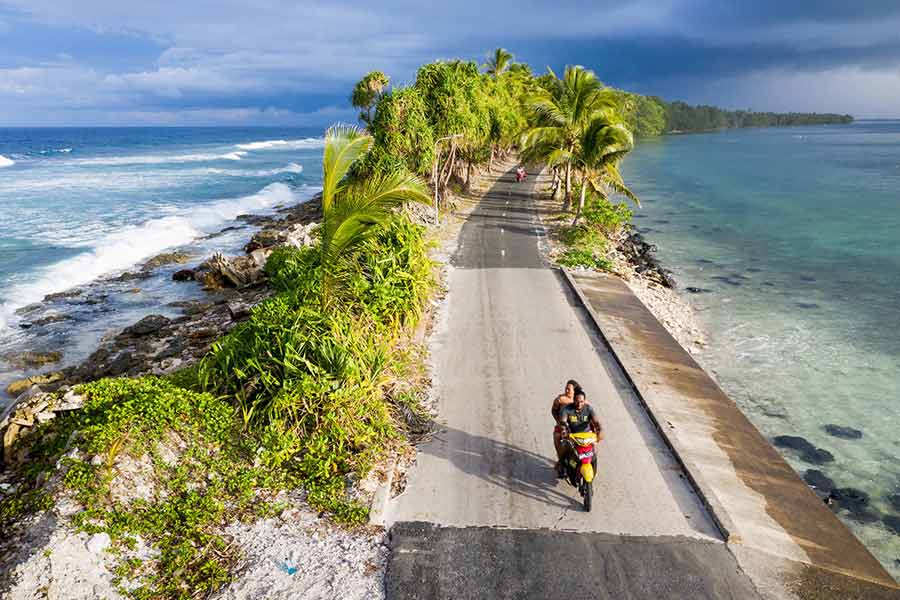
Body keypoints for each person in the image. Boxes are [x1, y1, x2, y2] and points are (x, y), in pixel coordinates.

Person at [557, 388, 603, 475]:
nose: (579, 404)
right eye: (577, 401)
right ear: (573, 400)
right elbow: (563, 421)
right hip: (572, 436)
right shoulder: (566, 409)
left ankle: (594, 469)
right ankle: (561, 465)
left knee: (594, 451)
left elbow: (596, 422)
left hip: (587, 436)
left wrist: (600, 429)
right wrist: (564, 429)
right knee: (563, 448)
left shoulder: (589, 409)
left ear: (584, 401)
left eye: (581, 402)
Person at [551, 379, 580, 476]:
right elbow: (553, 410)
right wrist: (558, 421)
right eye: (566, 388)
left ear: (574, 391)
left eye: (569, 389)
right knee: (557, 436)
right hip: (563, 427)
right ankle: (561, 462)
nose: (566, 391)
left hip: (576, 427)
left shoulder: (580, 400)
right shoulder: (561, 399)